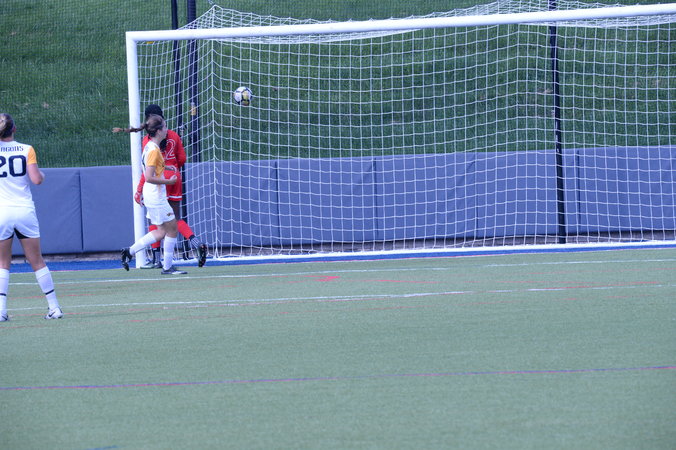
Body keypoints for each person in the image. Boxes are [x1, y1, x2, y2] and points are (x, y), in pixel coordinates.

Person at [0, 113, 64, 321]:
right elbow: (36, 179)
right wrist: (42, 174)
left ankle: (1, 311)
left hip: (2, 211)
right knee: (36, 260)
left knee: (2, 262)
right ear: (14, 129)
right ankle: (54, 308)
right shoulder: (26, 149)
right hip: (24, 210)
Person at [134, 105, 207, 269]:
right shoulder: (173, 135)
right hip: (174, 177)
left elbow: (146, 169)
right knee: (175, 218)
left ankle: (156, 259)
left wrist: (139, 190)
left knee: (155, 220)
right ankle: (195, 242)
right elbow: (182, 158)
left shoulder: (148, 141)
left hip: (158, 182)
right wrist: (172, 169)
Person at [116, 114, 187, 275]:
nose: (167, 129)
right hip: (156, 195)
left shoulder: (150, 145)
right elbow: (148, 176)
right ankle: (167, 267)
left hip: (152, 194)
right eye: (165, 126)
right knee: (172, 229)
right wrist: (168, 181)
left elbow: (152, 166)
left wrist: (166, 168)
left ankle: (129, 251)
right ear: (159, 131)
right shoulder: (154, 149)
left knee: (161, 231)